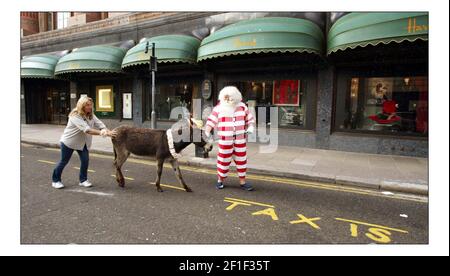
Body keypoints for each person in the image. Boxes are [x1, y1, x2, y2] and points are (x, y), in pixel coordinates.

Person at [51, 96, 117, 189]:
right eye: (87, 105)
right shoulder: (75, 115)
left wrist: (106, 130)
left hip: (83, 143)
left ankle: (83, 180)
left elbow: (100, 125)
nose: (90, 107)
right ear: (81, 106)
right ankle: (56, 180)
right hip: (69, 142)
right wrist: (104, 133)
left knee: (85, 161)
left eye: (91, 105)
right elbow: (87, 130)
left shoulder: (91, 115)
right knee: (64, 161)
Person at [204, 86, 256, 191]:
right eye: (227, 97)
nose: (229, 99)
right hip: (225, 139)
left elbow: (250, 119)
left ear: (236, 97)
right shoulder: (219, 107)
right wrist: (207, 131)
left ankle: (242, 182)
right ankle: (220, 180)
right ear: (223, 97)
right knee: (223, 159)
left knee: (241, 160)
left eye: (231, 97)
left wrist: (250, 126)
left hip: (240, 139)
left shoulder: (242, 107)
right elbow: (211, 120)